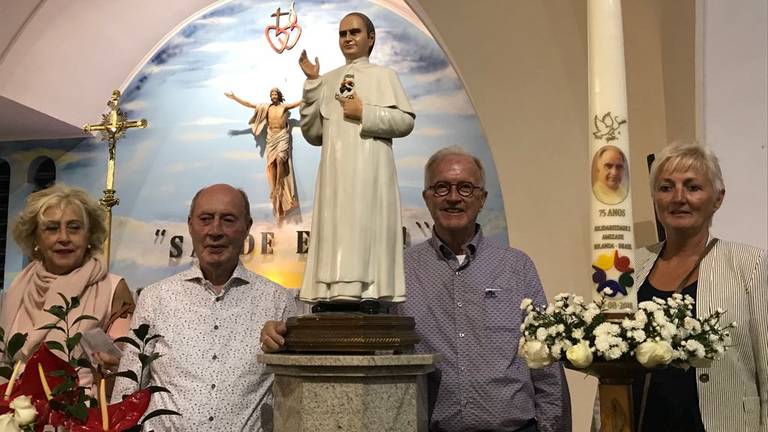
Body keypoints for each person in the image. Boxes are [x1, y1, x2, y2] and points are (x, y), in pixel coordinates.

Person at [261, 147, 572, 432]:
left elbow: (546, 365)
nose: (453, 197)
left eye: (465, 187)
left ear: (482, 198)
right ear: (427, 197)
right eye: (442, 188)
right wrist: (290, 336)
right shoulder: (397, 272)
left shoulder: (516, 267)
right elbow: (358, 335)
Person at [594, 142, 767, 432]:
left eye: (693, 187)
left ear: (718, 198)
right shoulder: (627, 265)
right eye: (665, 188)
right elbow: (607, 359)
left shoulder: (750, 265)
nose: (678, 198)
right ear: (654, 198)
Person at [111, 184, 296, 431]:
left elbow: (295, 396)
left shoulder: (278, 301)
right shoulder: (155, 298)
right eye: (205, 219)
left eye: (228, 219)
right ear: (190, 226)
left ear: (247, 227)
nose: (215, 231)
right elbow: (127, 392)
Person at [297, 12, 415, 303]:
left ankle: (367, 291)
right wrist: (312, 84)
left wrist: (365, 113)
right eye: (342, 34)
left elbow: (405, 121)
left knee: (364, 224)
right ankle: (333, 291)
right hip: (335, 172)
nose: (348, 39)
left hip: (369, 168)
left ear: (370, 38)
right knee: (336, 226)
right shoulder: (327, 81)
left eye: (354, 32)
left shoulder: (384, 76)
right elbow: (312, 133)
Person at [0, 185, 134, 389]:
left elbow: (126, 368)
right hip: (14, 413)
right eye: (52, 228)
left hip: (84, 415)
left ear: (89, 235)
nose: (64, 238)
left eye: (74, 228)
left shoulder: (114, 288)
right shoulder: (17, 289)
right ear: (35, 237)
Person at [224, 88, 301, 220]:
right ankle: (276, 194)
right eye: (272, 94)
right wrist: (235, 98)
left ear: (279, 96)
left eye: (276, 94)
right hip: (271, 138)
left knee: (280, 159)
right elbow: (249, 104)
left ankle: (277, 186)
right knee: (272, 166)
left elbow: (299, 102)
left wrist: (314, 89)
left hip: (282, 136)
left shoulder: (285, 107)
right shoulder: (266, 108)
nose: (274, 96)